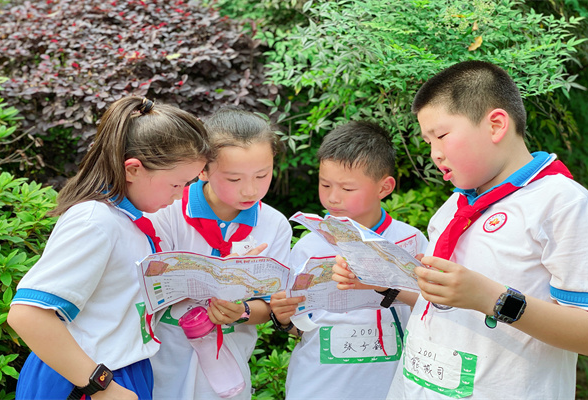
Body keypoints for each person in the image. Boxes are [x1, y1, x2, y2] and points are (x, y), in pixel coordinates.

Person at [336, 60, 588, 399]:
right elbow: (446, 304)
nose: (434, 154)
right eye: (427, 142)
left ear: (496, 125)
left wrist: (491, 299)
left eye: (440, 135)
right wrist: (385, 284)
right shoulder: (452, 208)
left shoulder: (563, 203)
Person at [7, 96, 211, 400]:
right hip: (84, 379)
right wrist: (100, 385)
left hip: (119, 371)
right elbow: (27, 315)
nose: (181, 196)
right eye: (176, 184)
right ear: (133, 169)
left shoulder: (130, 220)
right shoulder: (95, 220)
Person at [270, 121, 428, 400]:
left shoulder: (410, 241)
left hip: (389, 385)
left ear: (384, 187)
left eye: (347, 188)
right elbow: (300, 325)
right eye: (325, 184)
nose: (332, 197)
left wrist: (381, 285)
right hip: (320, 385)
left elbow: (433, 308)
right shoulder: (309, 246)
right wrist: (283, 319)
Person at [148, 107, 293, 400]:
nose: (250, 190)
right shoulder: (168, 211)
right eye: (234, 179)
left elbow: (270, 305)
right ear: (202, 168)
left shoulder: (274, 225)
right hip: (164, 360)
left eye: (262, 175)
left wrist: (242, 311)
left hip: (229, 367)